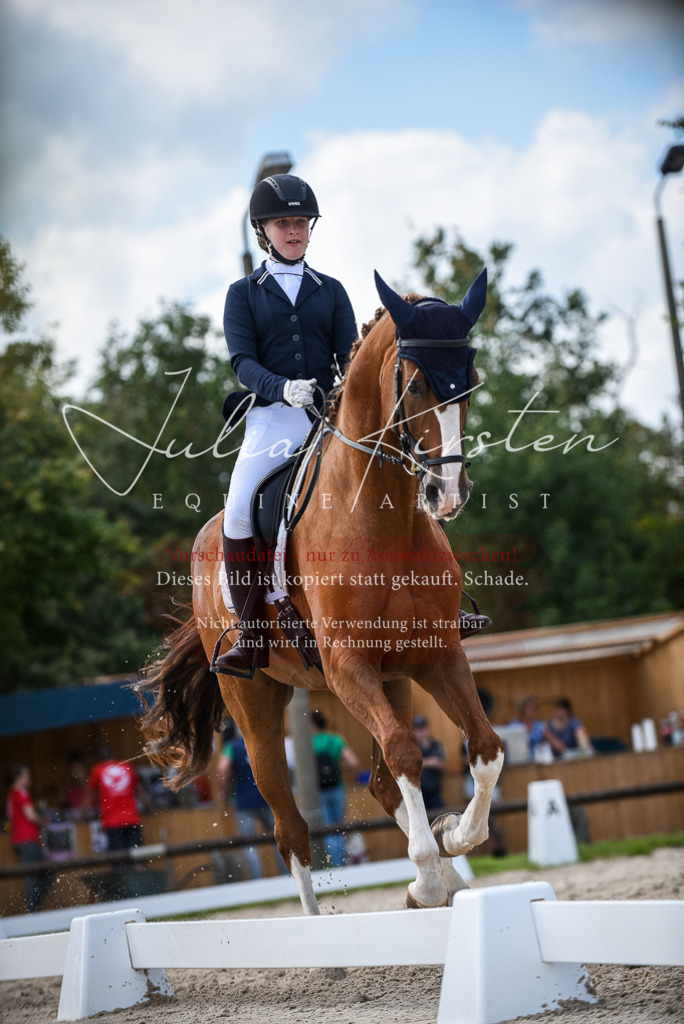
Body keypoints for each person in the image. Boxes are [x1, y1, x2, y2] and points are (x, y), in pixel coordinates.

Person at [213, 173, 357, 676]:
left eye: (300, 222)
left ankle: (447, 606)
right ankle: (252, 637)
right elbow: (242, 363)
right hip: (273, 421)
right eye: (282, 223)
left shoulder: (332, 291)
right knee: (237, 513)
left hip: (326, 418)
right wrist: (281, 388)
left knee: (399, 477)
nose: (293, 230)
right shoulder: (243, 294)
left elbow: (349, 358)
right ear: (263, 231)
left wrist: (339, 395)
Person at [217, 722, 288, 879]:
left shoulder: (232, 746)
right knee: (278, 839)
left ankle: (257, 881)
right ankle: (286, 876)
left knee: (249, 844)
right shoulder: (260, 742)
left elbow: (222, 769)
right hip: (267, 798)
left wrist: (224, 792)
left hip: (242, 801)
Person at [310, 709, 359, 867]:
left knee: (329, 830)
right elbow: (353, 762)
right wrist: (338, 769)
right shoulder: (336, 739)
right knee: (339, 826)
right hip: (337, 787)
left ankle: (338, 866)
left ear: (312, 725)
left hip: (319, 791)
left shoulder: (307, 744)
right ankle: (343, 863)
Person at [81, 744, 150, 851]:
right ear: (113, 755)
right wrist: (150, 809)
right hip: (131, 819)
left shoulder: (98, 770)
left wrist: (82, 816)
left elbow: (88, 797)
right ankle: (139, 867)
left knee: (119, 861)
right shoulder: (126, 767)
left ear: (99, 758)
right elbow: (140, 792)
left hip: (112, 823)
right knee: (138, 858)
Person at [6, 764, 53, 913]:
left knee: (38, 872)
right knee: (38, 873)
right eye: (26, 775)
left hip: (22, 840)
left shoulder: (12, 795)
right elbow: (30, 815)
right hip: (26, 840)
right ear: (18, 777)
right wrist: (43, 821)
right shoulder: (20, 793)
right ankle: (33, 910)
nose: (29, 778)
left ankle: (34, 908)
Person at [411, 715, 446, 810]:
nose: (421, 732)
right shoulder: (412, 748)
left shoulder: (436, 745)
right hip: (419, 793)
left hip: (435, 790)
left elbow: (442, 765)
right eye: (418, 729)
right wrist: (430, 762)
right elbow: (411, 765)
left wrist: (423, 763)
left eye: (423, 728)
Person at [512, 696, 546, 761]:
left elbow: (556, 743)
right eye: (531, 708)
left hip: (537, 761)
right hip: (518, 761)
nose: (534, 711)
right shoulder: (514, 726)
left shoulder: (539, 726)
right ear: (523, 709)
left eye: (535, 709)